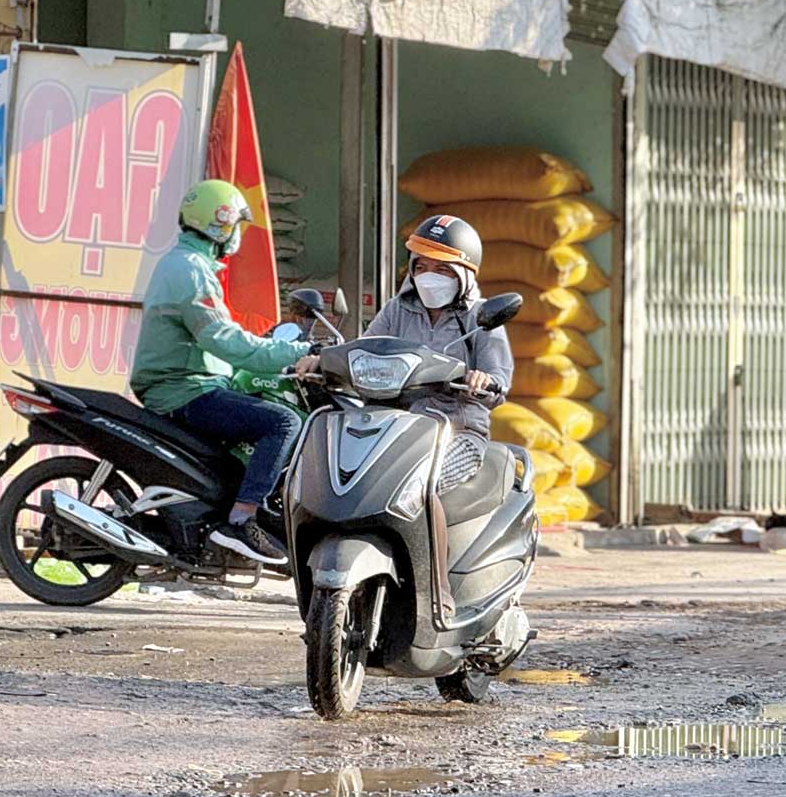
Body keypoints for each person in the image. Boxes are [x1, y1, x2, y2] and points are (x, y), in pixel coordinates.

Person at [130, 179, 320, 566]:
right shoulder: (192, 271)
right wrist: (296, 352)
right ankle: (240, 520)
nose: (239, 235)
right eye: (238, 226)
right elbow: (225, 341)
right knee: (282, 423)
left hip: (187, 383)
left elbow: (219, 341)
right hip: (184, 390)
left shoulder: (184, 263)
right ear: (221, 226)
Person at [362, 213, 513, 487]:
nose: (429, 277)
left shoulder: (480, 318)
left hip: (457, 433)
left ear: (463, 274)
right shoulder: (397, 309)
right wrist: (321, 360)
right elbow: (364, 348)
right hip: (396, 426)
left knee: (420, 485)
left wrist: (482, 381)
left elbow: (498, 384)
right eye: (421, 267)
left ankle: (434, 532)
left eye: (442, 270)